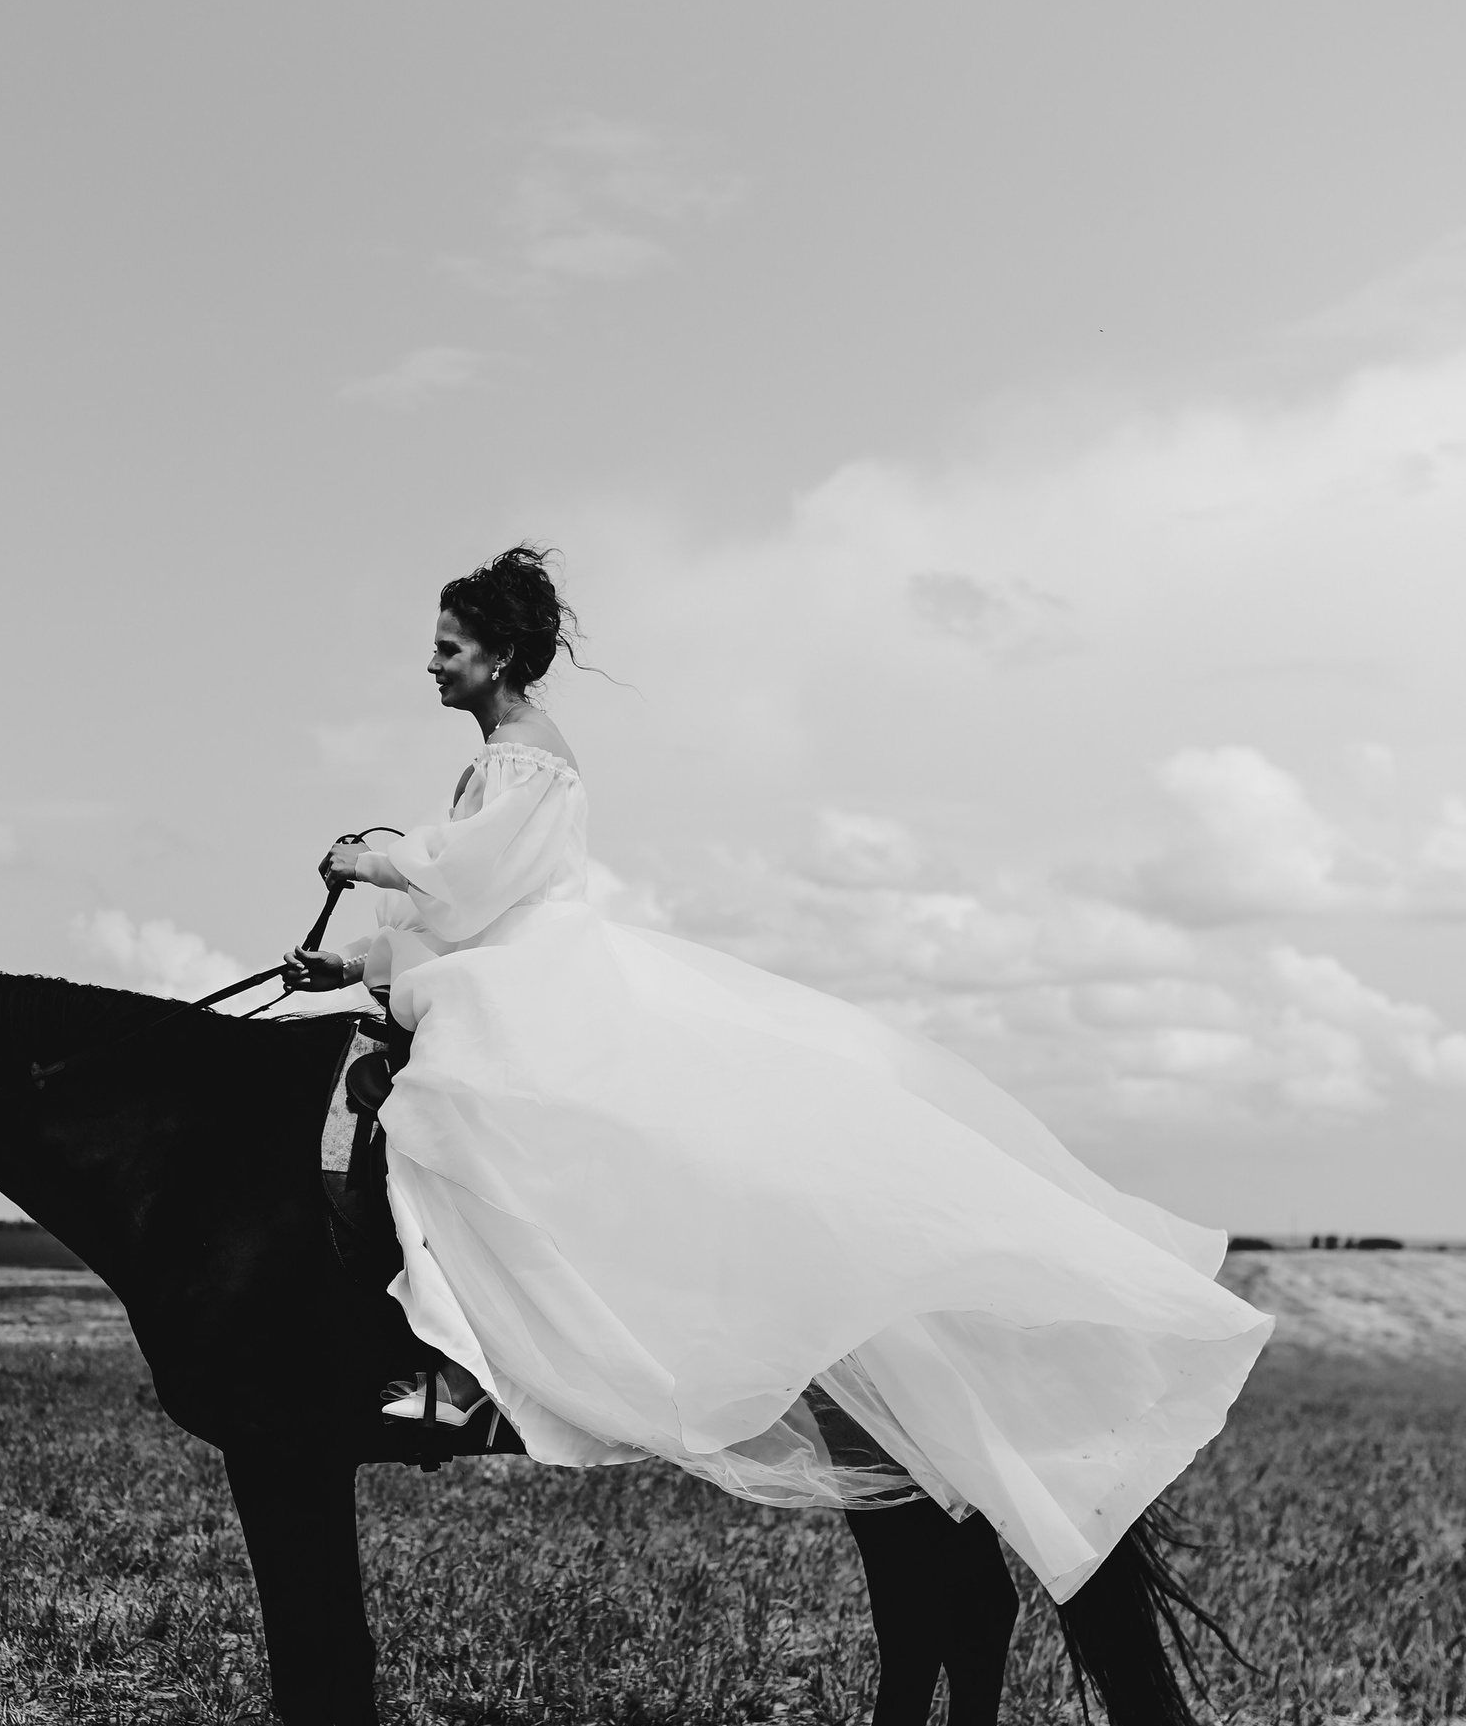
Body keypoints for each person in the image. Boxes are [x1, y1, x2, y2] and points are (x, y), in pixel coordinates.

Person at [283, 547, 1270, 1605]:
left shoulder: (524, 758)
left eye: (449, 648)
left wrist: (366, 862)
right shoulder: (503, 756)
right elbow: (460, 915)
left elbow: (470, 883)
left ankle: (465, 1374)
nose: (433, 664)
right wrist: (349, 963)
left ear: (500, 656)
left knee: (452, 1117)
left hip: (526, 973)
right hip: (497, 962)